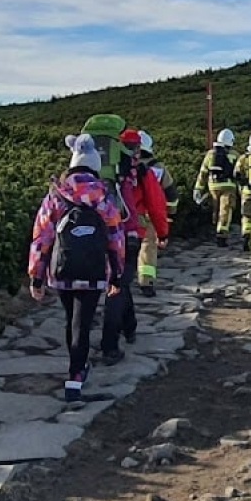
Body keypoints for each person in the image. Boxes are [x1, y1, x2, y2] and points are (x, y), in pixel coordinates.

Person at [28, 134, 126, 402]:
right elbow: (116, 237)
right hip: (95, 272)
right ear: (95, 165)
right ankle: (75, 376)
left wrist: (36, 276)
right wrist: (117, 272)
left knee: (72, 320)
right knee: (83, 322)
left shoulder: (56, 195)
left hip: (63, 271)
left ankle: (76, 369)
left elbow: (42, 236)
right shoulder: (104, 196)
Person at [99, 128, 169, 362]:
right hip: (130, 234)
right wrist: (163, 232)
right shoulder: (141, 172)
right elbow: (157, 205)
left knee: (120, 282)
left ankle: (129, 326)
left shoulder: (99, 168)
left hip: (101, 233)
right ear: (138, 148)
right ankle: (110, 343)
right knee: (119, 285)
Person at [131, 129, 177, 298]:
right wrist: (170, 214)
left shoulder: (121, 166)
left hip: (124, 214)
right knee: (147, 246)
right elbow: (170, 194)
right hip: (147, 216)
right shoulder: (158, 168)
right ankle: (146, 282)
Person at [194, 127, 240, 246]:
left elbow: (203, 172)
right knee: (225, 210)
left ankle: (212, 230)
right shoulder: (234, 155)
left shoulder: (210, 154)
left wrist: (198, 188)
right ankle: (221, 235)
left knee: (215, 210)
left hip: (213, 186)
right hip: (228, 187)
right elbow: (240, 173)